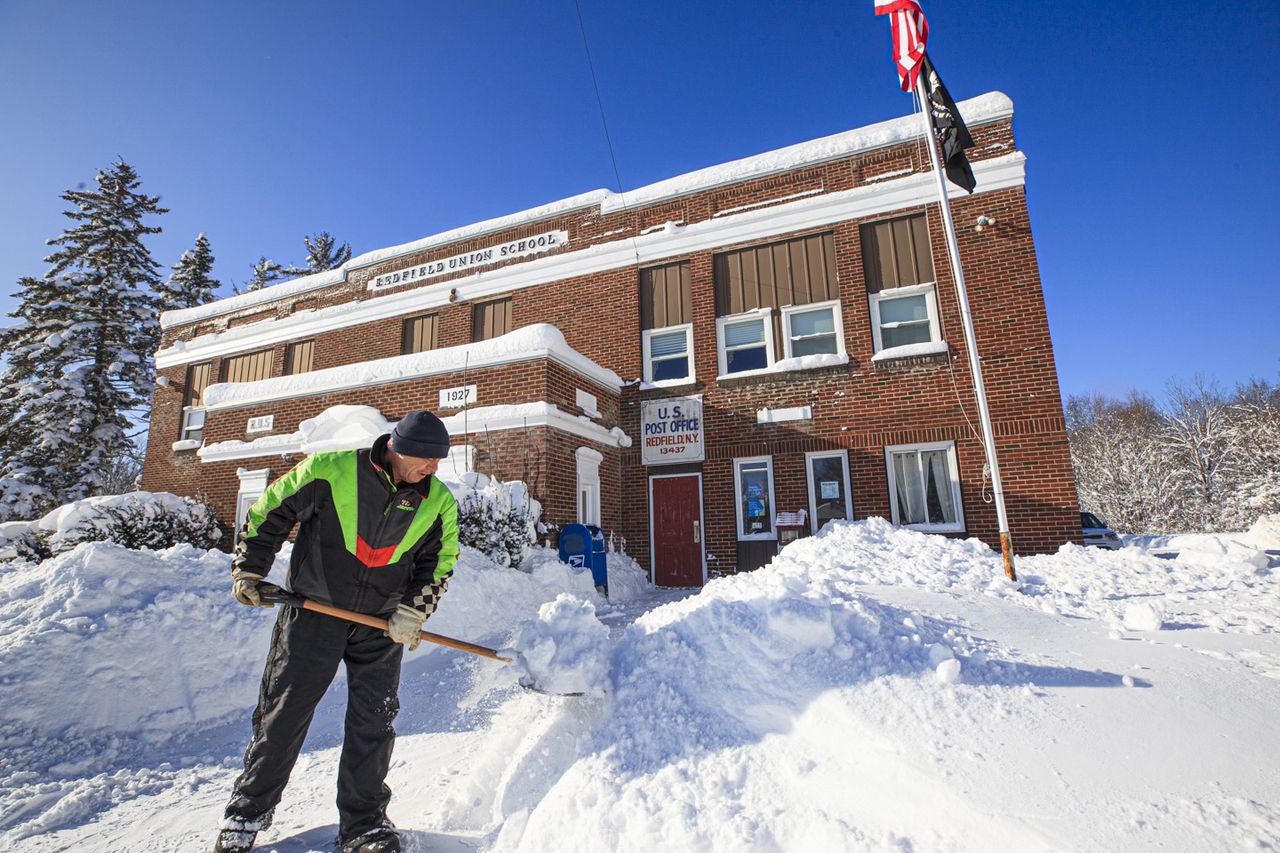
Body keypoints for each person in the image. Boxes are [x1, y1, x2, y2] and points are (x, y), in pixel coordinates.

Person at [213, 410, 459, 853]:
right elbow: (270, 511)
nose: (433, 469)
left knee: (373, 723)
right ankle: (246, 815)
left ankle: (363, 825)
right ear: (399, 449)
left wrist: (412, 611)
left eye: (438, 461)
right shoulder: (330, 469)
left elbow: (438, 563)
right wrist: (249, 571)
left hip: (380, 627)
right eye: (427, 460)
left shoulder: (437, 501)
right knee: (283, 714)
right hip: (313, 614)